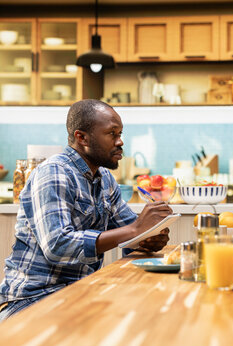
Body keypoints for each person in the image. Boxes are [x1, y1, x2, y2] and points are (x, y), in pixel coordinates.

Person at [0, 99, 172, 320]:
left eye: (120, 134)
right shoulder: (54, 172)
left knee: (147, 314)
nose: (120, 142)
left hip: (78, 292)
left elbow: (131, 232)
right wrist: (136, 230)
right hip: (32, 299)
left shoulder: (105, 179)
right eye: (112, 134)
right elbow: (57, 245)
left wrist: (148, 237)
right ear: (82, 138)